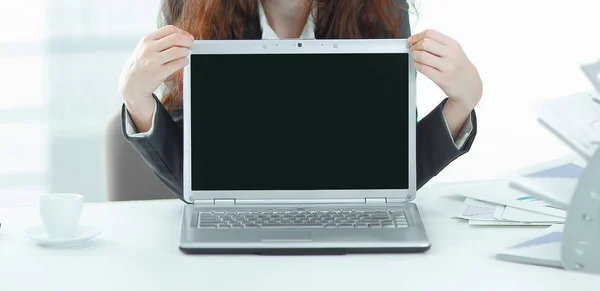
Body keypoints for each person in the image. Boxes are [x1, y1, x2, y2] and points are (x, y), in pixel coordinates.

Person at [118, 0, 483, 199]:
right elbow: (195, 180)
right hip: (238, 256)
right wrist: (136, 98)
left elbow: (393, 174)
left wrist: (462, 102)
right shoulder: (193, 9)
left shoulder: (382, 10)